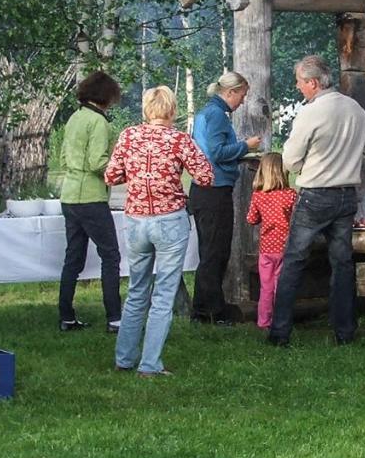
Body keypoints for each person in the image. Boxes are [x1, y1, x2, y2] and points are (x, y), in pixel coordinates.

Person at [104, 86, 214, 377]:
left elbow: (111, 175)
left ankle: (124, 359)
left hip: (136, 219)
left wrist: (138, 175)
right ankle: (150, 365)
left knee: (137, 290)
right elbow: (205, 175)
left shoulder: (128, 136)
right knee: (164, 294)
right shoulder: (179, 139)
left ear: (146, 110)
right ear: (172, 111)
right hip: (169, 220)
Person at [267, 55, 365, 347]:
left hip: (315, 195)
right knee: (342, 264)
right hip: (346, 194)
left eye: (300, 82)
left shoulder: (311, 113)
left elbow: (289, 160)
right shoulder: (356, 110)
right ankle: (344, 331)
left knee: (293, 261)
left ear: (313, 83)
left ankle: (280, 332)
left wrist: (308, 167)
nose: (298, 87)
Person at [189, 70, 263, 324]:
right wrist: (246, 146)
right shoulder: (218, 116)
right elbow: (217, 152)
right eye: (242, 95)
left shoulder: (204, 114)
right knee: (216, 253)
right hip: (215, 190)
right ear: (230, 92)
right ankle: (212, 312)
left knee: (209, 251)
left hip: (202, 190)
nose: (242, 101)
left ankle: (202, 309)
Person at [58, 70, 123, 333]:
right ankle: (115, 318)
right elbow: (97, 162)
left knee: (72, 258)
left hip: (70, 195)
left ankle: (66, 316)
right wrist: (121, 170)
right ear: (107, 96)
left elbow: (64, 158)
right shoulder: (99, 122)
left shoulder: (74, 118)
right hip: (91, 198)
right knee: (111, 256)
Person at [245, 152, 296, 330]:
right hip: (285, 247)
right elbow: (297, 219)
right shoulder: (290, 195)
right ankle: (280, 320)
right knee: (280, 286)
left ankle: (263, 321)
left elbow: (251, 219)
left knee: (266, 288)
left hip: (266, 249)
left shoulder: (258, 196)